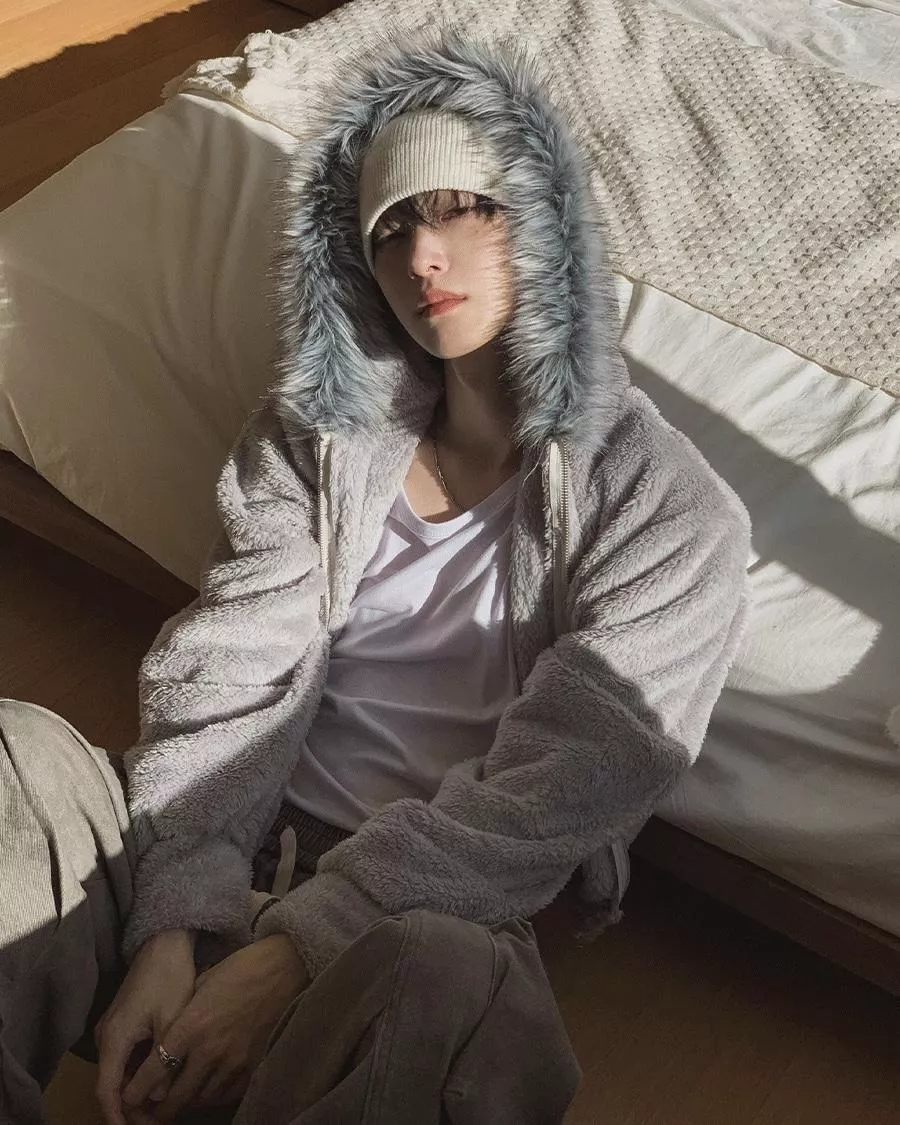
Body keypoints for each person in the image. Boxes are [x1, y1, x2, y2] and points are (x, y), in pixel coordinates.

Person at [0, 26, 752, 1125]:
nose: (422, 256)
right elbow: (227, 672)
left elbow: (559, 792)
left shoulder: (672, 512)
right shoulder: (315, 437)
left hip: (414, 915)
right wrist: (173, 923)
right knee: (16, 755)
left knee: (450, 983)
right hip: (221, 853)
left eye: (466, 208)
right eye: (392, 226)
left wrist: (296, 952)